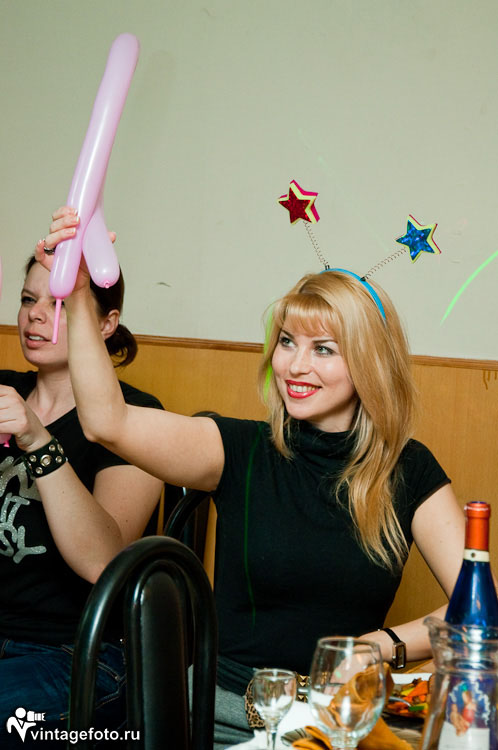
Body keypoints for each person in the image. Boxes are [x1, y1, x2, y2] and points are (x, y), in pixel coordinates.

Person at [39, 206, 465, 749]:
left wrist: (378, 646)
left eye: (323, 349)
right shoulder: (238, 448)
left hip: (338, 724)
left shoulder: (409, 469)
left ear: (369, 364)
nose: (294, 365)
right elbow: (105, 421)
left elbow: (477, 612)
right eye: (287, 341)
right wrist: (78, 297)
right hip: (223, 718)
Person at [0, 250, 164, 748]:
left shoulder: (135, 418)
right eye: (27, 300)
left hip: (77, 650)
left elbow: (102, 560)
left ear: (107, 323)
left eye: (57, 304)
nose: (34, 315)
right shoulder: (4, 391)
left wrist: (37, 441)